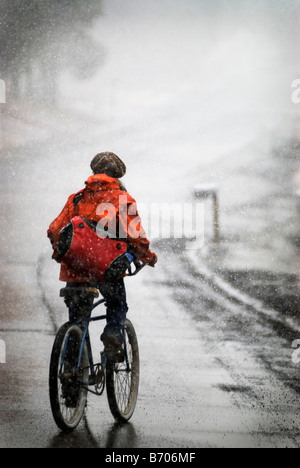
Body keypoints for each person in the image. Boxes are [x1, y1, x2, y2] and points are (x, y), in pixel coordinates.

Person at [48, 152, 157, 354]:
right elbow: (136, 236)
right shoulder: (122, 199)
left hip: (76, 270)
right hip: (107, 269)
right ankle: (113, 336)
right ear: (117, 176)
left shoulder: (77, 198)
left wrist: (60, 253)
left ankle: (72, 367)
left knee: (78, 318)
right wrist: (148, 256)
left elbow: (56, 230)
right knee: (116, 304)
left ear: (94, 172)